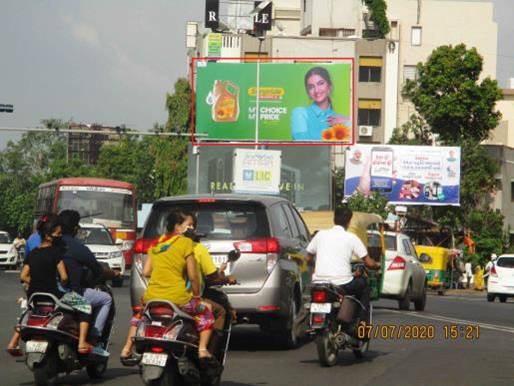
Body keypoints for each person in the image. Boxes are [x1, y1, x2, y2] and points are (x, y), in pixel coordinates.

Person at [120, 210, 215, 363]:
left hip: (152, 297)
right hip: (178, 298)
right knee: (206, 312)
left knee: (139, 317)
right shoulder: (186, 244)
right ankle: (202, 349)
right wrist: (197, 297)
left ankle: (126, 348)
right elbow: (193, 276)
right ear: (177, 227)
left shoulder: (157, 244)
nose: (191, 229)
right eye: (189, 225)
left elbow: (146, 271)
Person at [306, 207, 380, 335]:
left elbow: (308, 258)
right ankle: (362, 327)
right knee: (364, 286)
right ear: (349, 222)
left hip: (319, 282)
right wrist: (376, 265)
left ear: (334, 219)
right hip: (342, 283)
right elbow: (368, 262)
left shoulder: (320, 235)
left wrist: (314, 267)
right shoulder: (351, 238)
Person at [6, 215, 70, 356]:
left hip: (34, 297)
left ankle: (13, 342)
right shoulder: (56, 252)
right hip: (53, 296)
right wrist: (63, 283)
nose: (60, 236)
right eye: (57, 234)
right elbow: (64, 277)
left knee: (28, 313)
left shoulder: (33, 253)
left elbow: (23, 276)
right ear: (48, 236)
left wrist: (35, 281)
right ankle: (82, 341)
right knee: (84, 307)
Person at [57, 210, 119, 353]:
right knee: (106, 299)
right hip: (69, 294)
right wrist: (114, 274)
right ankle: (92, 339)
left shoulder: (47, 246)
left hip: (46, 293)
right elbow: (98, 270)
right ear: (75, 228)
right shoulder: (78, 248)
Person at [291, 67, 350, 140]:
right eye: (311, 87)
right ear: (308, 92)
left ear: (329, 87)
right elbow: (302, 142)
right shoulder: (300, 113)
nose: (316, 90)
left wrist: (348, 120)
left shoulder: (341, 119)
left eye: (320, 83)